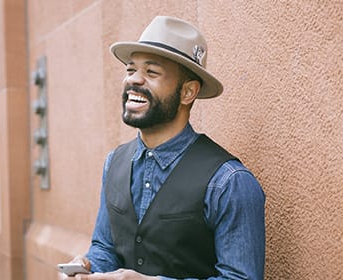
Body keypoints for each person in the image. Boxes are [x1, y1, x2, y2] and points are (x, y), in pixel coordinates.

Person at [66, 16, 265, 280]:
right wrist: (89, 266)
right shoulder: (113, 163)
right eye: (130, 69)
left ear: (188, 92)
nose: (134, 80)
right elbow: (106, 247)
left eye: (151, 72)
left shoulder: (229, 182)